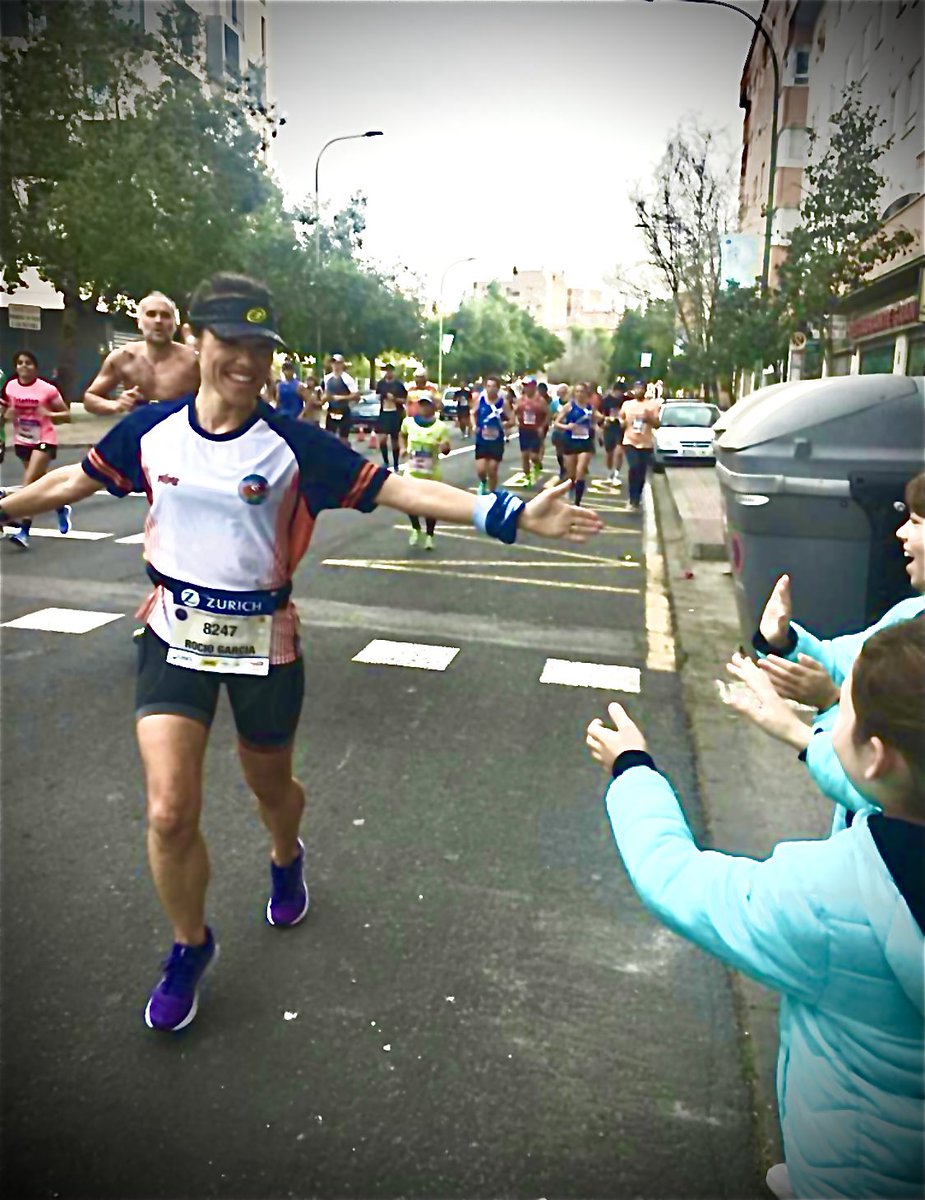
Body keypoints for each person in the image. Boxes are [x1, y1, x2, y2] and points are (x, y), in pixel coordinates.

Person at [0, 272, 602, 1034]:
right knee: (169, 809)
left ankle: (286, 854)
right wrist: (7, 505)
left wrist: (506, 515)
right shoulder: (151, 430)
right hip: (174, 632)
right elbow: (72, 480)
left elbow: (398, 489)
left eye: (261, 348)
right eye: (232, 343)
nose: (247, 362)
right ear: (198, 341)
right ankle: (189, 944)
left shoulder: (293, 446)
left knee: (271, 787)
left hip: (264, 641)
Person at [586, 618, 925, 1200]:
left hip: (855, 1173)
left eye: (841, 708)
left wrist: (633, 770)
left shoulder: (828, 898)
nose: (829, 715)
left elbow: (677, 879)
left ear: (877, 757)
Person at [749, 470, 925, 831]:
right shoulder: (912, 613)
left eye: (916, 522)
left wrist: (828, 706)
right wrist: (784, 641)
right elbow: (846, 662)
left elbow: (884, 790)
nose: (901, 532)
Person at [0, 351, 72, 548]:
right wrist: (6, 415)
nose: (24, 366)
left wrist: (48, 413)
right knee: (40, 483)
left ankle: (24, 531)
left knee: (29, 483)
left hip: (45, 439)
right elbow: (3, 413)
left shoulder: (47, 389)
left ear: (36, 367)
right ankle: (60, 505)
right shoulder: (10, 387)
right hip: (22, 440)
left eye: (28, 363)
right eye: (20, 363)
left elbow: (66, 415)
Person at [84, 292, 199, 413]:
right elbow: (90, 397)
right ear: (139, 322)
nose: (158, 320)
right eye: (151, 314)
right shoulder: (123, 357)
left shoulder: (194, 361)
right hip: (140, 423)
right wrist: (115, 405)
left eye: (165, 315)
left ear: (175, 324)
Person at [399, 391, 451, 549]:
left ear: (433, 408)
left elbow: (446, 449)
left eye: (427, 405)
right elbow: (402, 434)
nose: (423, 408)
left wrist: (443, 447)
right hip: (412, 471)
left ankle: (430, 535)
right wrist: (402, 448)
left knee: (430, 506)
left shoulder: (440, 427)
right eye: (421, 405)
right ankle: (416, 528)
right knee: (409, 503)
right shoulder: (408, 422)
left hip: (431, 473)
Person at [553, 381, 598, 506]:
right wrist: (567, 426)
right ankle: (570, 492)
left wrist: (599, 427)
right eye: (577, 391)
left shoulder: (590, 408)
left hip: (585, 442)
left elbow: (595, 422)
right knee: (571, 474)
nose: (579, 394)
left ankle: (577, 502)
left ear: (586, 393)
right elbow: (556, 423)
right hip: (570, 441)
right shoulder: (569, 406)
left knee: (580, 471)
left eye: (582, 391)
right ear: (574, 393)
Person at [619, 380, 660, 510]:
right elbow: (620, 418)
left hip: (645, 443)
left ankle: (637, 497)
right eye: (637, 388)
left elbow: (657, 424)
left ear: (645, 390)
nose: (639, 391)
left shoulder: (652, 405)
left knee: (641, 472)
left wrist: (648, 418)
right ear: (633, 389)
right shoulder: (627, 404)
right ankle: (632, 499)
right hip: (630, 441)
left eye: (641, 388)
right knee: (633, 467)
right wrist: (622, 422)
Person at [473, 376, 513, 495]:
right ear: (485, 387)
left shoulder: (503, 403)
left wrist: (505, 424)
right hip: (482, 439)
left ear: (498, 389)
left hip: (496, 440)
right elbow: (472, 413)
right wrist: (474, 425)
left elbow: (512, 420)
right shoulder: (480, 400)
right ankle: (483, 481)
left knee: (492, 469)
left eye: (494, 387)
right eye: (488, 386)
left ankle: (492, 493)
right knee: (481, 470)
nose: (491, 389)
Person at [515, 376, 548, 487]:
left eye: (528, 386)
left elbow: (548, 415)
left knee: (533, 456)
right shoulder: (520, 400)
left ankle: (537, 463)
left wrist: (542, 427)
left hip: (535, 430)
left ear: (534, 387)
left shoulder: (540, 400)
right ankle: (528, 478)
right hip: (524, 429)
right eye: (525, 386)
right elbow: (515, 412)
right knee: (524, 455)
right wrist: (516, 419)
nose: (526, 388)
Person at [374, 363, 408, 471]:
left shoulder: (398, 385)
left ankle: (396, 463)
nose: (388, 373)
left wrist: (394, 399)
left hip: (395, 413)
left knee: (394, 440)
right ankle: (385, 461)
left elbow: (405, 400)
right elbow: (377, 396)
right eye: (386, 371)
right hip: (384, 413)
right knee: (382, 439)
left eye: (390, 370)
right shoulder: (381, 383)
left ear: (393, 372)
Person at [323, 354, 358, 442]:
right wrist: (324, 398)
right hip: (331, 410)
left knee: (343, 439)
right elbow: (326, 393)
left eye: (338, 363)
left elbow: (356, 395)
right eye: (333, 363)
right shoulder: (327, 378)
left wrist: (340, 398)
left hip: (343, 410)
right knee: (329, 438)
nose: (335, 365)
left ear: (342, 364)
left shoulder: (347, 378)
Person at [599, 382, 626, 488]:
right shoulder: (606, 400)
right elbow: (600, 414)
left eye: (622, 393)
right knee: (609, 453)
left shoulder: (626, 400)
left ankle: (616, 474)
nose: (620, 394)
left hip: (621, 429)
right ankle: (609, 472)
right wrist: (603, 422)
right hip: (609, 428)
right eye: (618, 392)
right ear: (614, 391)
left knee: (619, 452)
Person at [549, 383, 570, 481]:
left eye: (564, 392)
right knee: (559, 452)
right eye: (560, 392)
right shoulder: (554, 403)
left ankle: (569, 470)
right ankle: (562, 468)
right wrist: (556, 416)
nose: (562, 394)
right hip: (558, 430)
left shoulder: (571, 404)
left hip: (569, 431)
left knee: (568, 452)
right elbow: (550, 415)